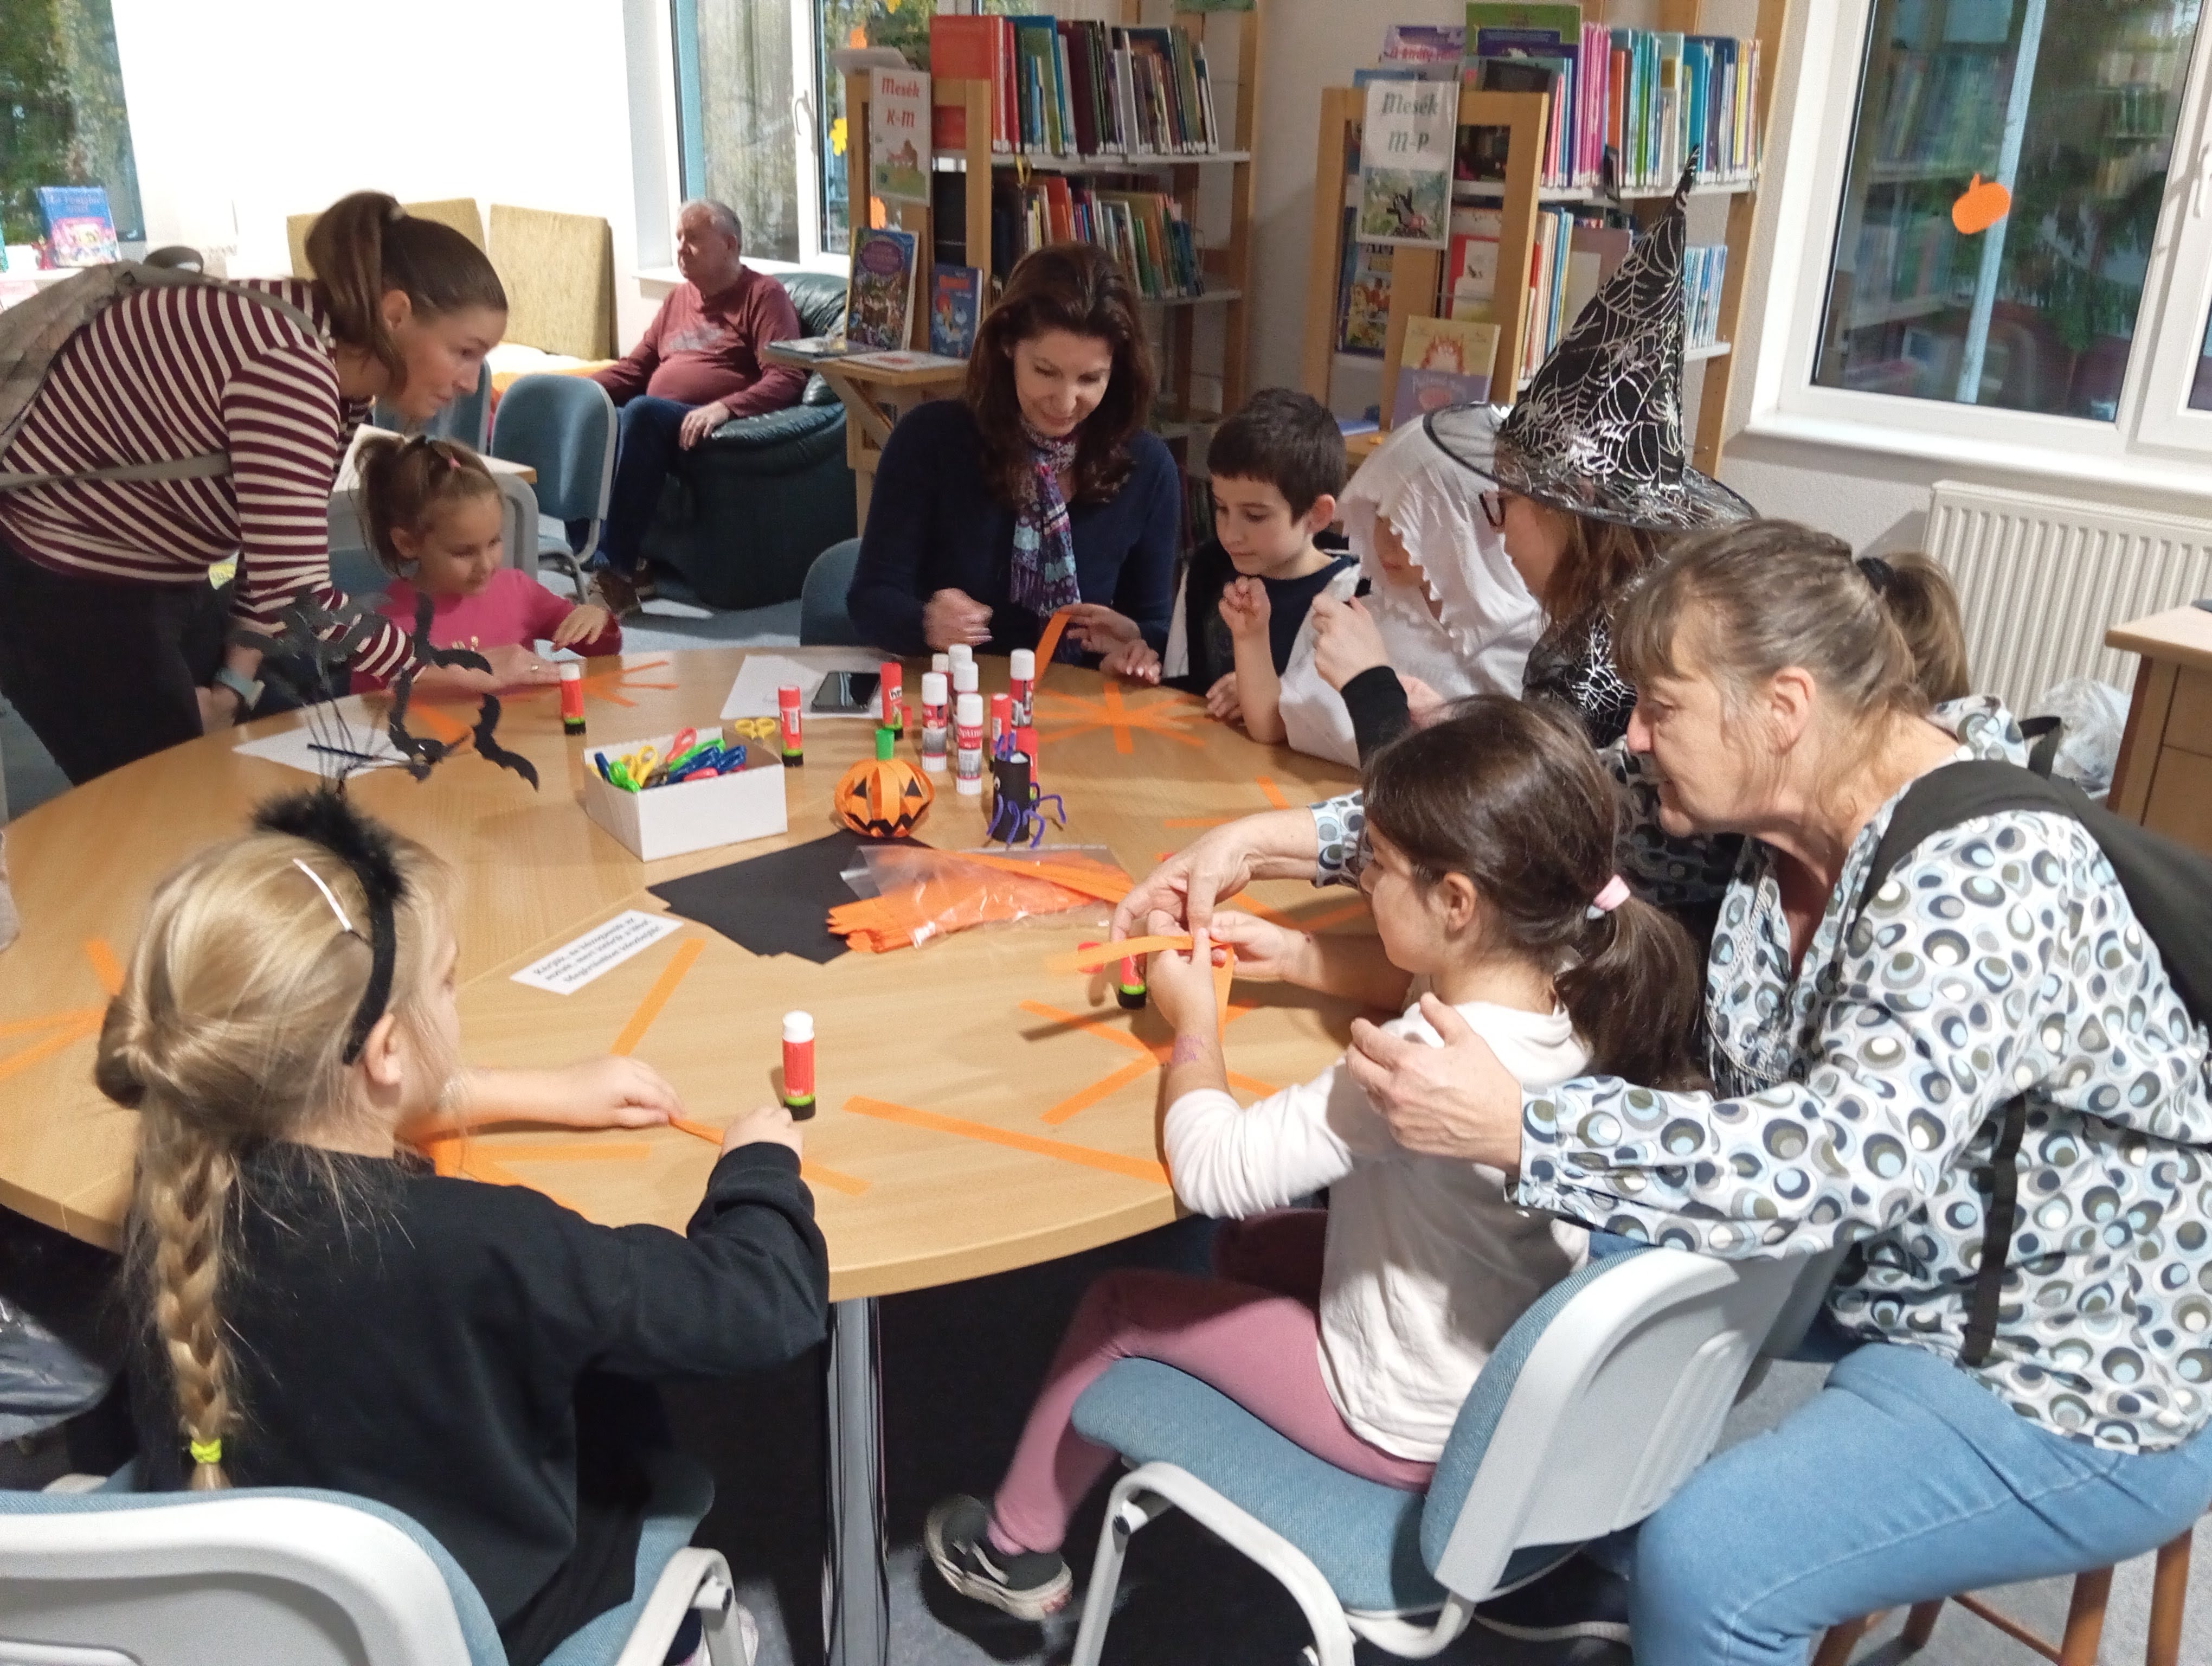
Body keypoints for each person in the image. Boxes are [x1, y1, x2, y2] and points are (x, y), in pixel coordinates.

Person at [1114, 521, 2212, 1663]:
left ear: (1783, 708)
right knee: (1571, 1278)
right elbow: (1527, 820)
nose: (1633, 734)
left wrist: (1527, 1128)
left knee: (1716, 1556)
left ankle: (1617, 1557)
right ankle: (1563, 1540)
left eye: (1661, 707)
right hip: (1875, 1270)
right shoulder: (1770, 808)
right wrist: (1269, 840)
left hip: (2060, 1363)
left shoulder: (1986, 884)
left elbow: (1840, 1160)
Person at [923, 698, 1703, 1621]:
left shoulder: (1410, 1070)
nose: (1362, 877)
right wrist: (1295, 953)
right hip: (1503, 1372)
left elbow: (1211, 1169)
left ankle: (1011, 1549)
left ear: (1457, 902)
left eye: (1379, 865)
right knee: (1255, 1246)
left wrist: (1195, 1022)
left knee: (1121, 1305)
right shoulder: (1577, 976)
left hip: (1404, 1420)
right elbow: (1419, 974)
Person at [103, 790, 828, 1666]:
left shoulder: (171, 1192)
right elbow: (762, 1306)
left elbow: (336, 1100)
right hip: (494, 1620)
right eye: (446, 981)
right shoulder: (487, 1245)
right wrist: (758, 1166)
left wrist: (539, 1091)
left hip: (261, 1615)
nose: (455, 997)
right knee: (615, 1393)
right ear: (384, 1051)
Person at [0, 192, 507, 785]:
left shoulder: (333, 362)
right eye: (464, 352)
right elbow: (300, 594)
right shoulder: (290, 364)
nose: (471, 382)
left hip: (154, 576)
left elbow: (273, 565)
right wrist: (446, 663)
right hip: (62, 585)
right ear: (395, 314)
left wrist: (232, 690)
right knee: (165, 795)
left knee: (255, 757)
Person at [1335, 165, 1756, 761]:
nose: (1499, 532)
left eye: (1504, 502)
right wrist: (1453, 718)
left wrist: (1369, 688)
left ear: (1570, 504)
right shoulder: (1642, 608)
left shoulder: (1589, 664)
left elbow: (1516, 810)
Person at [845, 242, 1178, 672]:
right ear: (1007, 345)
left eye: (1090, 379)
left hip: (1079, 703)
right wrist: (924, 621)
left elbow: (1159, 629)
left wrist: (1135, 642)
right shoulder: (930, 440)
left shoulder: (1147, 467)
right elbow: (870, 600)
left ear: (1118, 371)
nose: (1065, 402)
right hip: (954, 695)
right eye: (1045, 371)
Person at [1276, 418, 1542, 766]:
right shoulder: (1371, 608)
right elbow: (1290, 719)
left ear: (1462, 528)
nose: (1383, 541)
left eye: (1406, 525)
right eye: (1379, 518)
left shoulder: (1529, 645)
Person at [588, 200, 807, 617]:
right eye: (678, 239)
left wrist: (726, 407)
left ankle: (615, 574)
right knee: (595, 415)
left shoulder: (764, 296)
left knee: (641, 412)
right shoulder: (677, 300)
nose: (681, 249)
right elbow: (635, 368)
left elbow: (787, 377)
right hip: (656, 420)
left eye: (693, 240)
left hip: (706, 428)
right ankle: (625, 563)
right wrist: (575, 393)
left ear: (730, 245)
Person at [348, 434, 620, 695]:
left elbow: (603, 653)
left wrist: (597, 621)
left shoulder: (519, 592)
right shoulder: (386, 627)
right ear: (407, 543)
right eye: (463, 552)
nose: (486, 565)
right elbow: (368, 710)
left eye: (494, 542)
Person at [1161, 388, 1353, 739]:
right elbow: (1178, 686)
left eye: (1254, 516)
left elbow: (1338, 727)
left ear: (1317, 514)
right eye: (1221, 508)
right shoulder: (1206, 571)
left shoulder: (1349, 599)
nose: (1230, 534)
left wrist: (1260, 692)